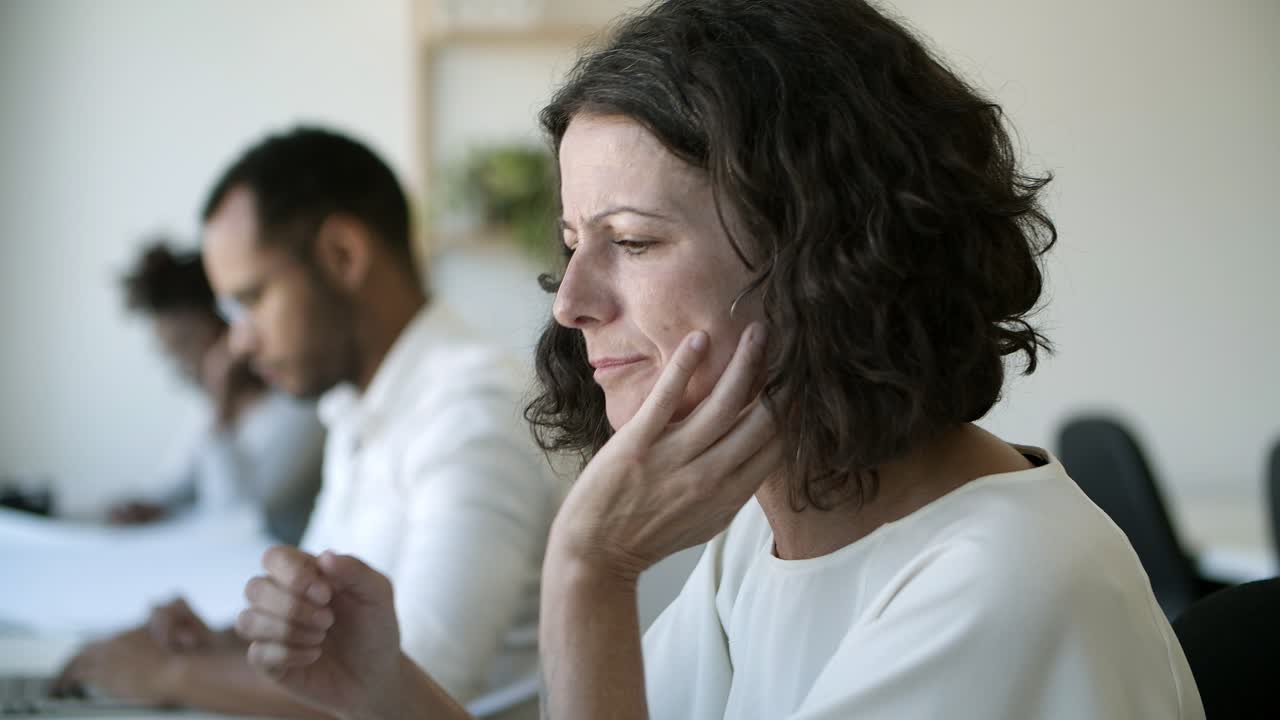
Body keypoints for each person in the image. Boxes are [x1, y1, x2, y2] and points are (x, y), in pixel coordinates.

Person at [234, 2, 1205, 719]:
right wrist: (383, 689)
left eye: (633, 240)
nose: (570, 302)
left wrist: (590, 569)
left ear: (826, 253)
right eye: (572, 243)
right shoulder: (768, 534)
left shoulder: (1001, 588)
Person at [54, 128, 561, 718]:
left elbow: (415, 680)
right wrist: (226, 641)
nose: (240, 341)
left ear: (343, 255)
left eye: (252, 299)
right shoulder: (359, 405)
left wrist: (172, 674)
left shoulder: (475, 411)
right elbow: (330, 639)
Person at [109, 241, 325, 542]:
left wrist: (221, 406)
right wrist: (143, 507)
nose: (180, 366)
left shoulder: (303, 407)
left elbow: (236, 519)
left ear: (229, 326)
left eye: (184, 343)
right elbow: (173, 487)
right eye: (170, 353)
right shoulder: (206, 406)